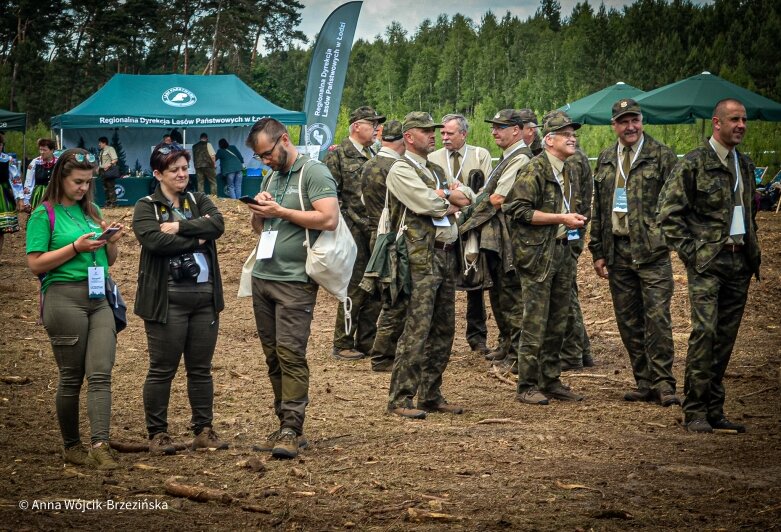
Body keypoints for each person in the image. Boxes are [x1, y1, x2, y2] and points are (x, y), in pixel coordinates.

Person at [658, 98, 760, 433]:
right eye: (734, 119)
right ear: (717, 123)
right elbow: (668, 215)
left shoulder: (743, 164)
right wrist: (694, 253)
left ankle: (715, 409)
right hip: (708, 264)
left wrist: (749, 251)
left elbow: (748, 213)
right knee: (704, 333)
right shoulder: (694, 163)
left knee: (725, 339)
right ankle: (695, 409)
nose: (741, 125)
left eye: (744, 119)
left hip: (739, 261)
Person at [26, 148, 126, 469]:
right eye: (78, 182)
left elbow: (109, 260)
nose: (83, 188)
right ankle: (71, 444)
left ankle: (100, 445)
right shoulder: (44, 214)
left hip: (99, 298)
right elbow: (35, 264)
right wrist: (75, 247)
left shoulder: (93, 210)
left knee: (101, 372)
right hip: (63, 298)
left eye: (88, 182)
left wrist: (111, 241)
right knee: (71, 376)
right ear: (61, 178)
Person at [244, 118, 339, 458]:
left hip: (295, 281)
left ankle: (292, 428)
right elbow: (262, 228)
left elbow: (329, 219)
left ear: (284, 140)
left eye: (267, 153)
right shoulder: (273, 175)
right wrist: (260, 210)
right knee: (272, 356)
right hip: (264, 277)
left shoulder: (313, 172)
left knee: (290, 354)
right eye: (259, 157)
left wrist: (281, 211)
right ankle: (282, 419)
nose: (264, 161)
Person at [133, 142, 228, 455]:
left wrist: (180, 227)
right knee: (162, 368)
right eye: (174, 170)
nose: (182, 174)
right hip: (167, 300)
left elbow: (218, 224)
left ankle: (204, 429)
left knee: (200, 368)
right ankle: (158, 434)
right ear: (158, 173)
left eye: (185, 168)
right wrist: (198, 237)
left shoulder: (198, 199)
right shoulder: (146, 205)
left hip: (204, 299)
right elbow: (155, 241)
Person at [589, 99, 680, 406]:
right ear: (613, 125)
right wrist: (597, 251)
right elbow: (599, 209)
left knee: (657, 319)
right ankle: (643, 381)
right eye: (623, 121)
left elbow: (678, 203)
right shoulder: (605, 159)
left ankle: (664, 383)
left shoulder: (661, 156)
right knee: (628, 321)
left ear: (642, 122)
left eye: (635, 120)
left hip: (652, 252)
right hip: (618, 250)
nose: (630, 127)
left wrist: (665, 236)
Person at [385, 112, 474, 419]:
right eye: (426, 131)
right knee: (416, 328)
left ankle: (431, 394)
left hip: (445, 253)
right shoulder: (400, 169)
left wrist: (446, 194)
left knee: (443, 328)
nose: (433, 135)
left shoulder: (435, 168)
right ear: (409, 136)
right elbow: (426, 204)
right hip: (417, 256)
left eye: (434, 130)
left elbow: (469, 196)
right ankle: (401, 397)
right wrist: (448, 199)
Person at [503, 111, 587, 405]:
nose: (572, 137)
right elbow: (516, 210)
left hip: (564, 251)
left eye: (573, 133)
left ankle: (550, 379)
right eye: (565, 134)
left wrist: (575, 244)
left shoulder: (571, 170)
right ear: (549, 140)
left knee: (558, 321)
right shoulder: (534, 170)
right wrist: (558, 218)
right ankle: (526, 384)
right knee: (535, 322)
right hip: (538, 257)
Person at [460, 109, 532, 373]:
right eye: (493, 127)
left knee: (512, 296)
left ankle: (517, 353)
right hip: (496, 237)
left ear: (517, 130)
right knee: (499, 292)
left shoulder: (521, 158)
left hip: (511, 237)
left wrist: (467, 213)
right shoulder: (508, 157)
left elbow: (498, 199)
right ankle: (507, 344)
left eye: (500, 127)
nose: (494, 131)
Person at [429, 114, 493, 356]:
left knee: (475, 281)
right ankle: (437, 337)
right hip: (443, 226)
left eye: (449, 134)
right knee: (442, 281)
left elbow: (486, 191)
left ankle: (477, 337)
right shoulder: (433, 158)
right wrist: (450, 197)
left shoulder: (480, 155)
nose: (444, 138)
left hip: (472, 226)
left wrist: (463, 198)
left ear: (463, 134)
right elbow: (430, 192)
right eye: (442, 133)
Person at [326, 106, 386, 361]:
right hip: (353, 231)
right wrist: (349, 222)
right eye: (371, 124)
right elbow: (330, 196)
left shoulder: (374, 154)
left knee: (376, 287)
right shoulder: (338, 155)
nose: (375, 129)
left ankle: (366, 340)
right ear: (356, 127)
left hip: (376, 228)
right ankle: (343, 342)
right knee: (355, 287)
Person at [359, 120, 406, 372]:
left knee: (375, 292)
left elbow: (358, 199)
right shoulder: (397, 167)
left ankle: (367, 341)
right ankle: (382, 352)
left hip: (373, 232)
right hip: (392, 237)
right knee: (392, 296)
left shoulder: (368, 164)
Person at [560, 146, 595, 371]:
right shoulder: (575, 155)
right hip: (572, 230)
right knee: (568, 291)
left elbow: (572, 201)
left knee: (566, 292)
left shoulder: (570, 159)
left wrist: (572, 239)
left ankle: (573, 352)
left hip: (569, 232)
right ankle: (582, 350)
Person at [0, 133, 23, 254]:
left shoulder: (7, 159)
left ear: (2, 145)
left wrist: (20, 198)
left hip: (3, 196)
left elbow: (16, 179)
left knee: (0, 230)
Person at [24, 138, 58, 211]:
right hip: (39, 195)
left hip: (54, 194)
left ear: (52, 150)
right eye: (40, 149)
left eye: (44, 150)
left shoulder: (58, 163)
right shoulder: (35, 162)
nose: (42, 152)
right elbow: (29, 181)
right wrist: (26, 201)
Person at [98, 137, 119, 207]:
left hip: (109, 171)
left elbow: (115, 159)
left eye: (100, 143)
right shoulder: (101, 151)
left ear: (104, 143)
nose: (99, 144)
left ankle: (114, 203)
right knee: (105, 188)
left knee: (110, 187)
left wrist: (108, 165)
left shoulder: (110, 149)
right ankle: (108, 202)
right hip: (102, 171)